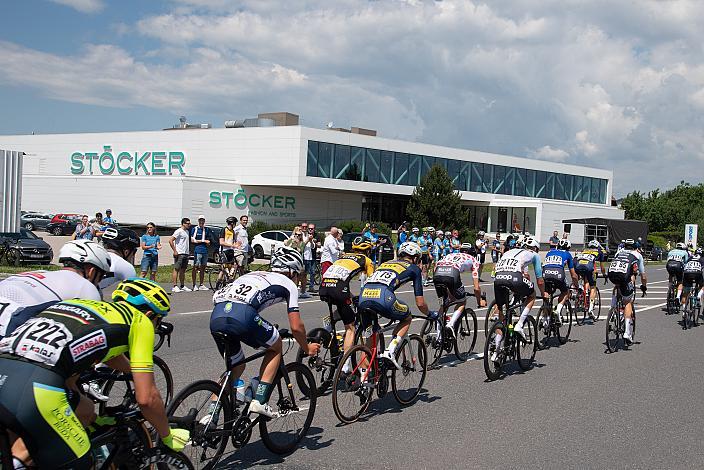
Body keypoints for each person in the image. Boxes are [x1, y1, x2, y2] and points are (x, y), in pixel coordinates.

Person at [0, 278, 188, 468]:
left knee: (84, 409)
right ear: (150, 314)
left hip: (8, 371)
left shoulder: (81, 306)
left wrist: (135, 372)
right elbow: (147, 399)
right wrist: (166, 434)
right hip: (35, 386)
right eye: (159, 320)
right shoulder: (141, 322)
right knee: (82, 460)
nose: (156, 326)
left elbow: (97, 358)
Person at [209, 247, 320, 418]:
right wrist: (307, 348)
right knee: (275, 347)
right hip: (243, 315)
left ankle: (210, 416)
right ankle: (260, 400)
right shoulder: (289, 284)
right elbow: (296, 327)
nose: (298, 279)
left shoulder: (252, 274)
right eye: (299, 274)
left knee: (236, 366)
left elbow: (220, 297)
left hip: (217, 314)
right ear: (292, 271)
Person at [0, 240, 111, 339]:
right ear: (91, 271)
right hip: (8, 328)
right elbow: (95, 337)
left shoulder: (40, 273)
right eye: (101, 276)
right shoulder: (86, 286)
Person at [358, 241, 436, 369]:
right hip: (383, 297)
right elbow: (420, 303)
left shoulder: (385, 263)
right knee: (407, 317)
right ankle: (391, 351)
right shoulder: (414, 268)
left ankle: (363, 380)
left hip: (364, 296)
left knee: (371, 339)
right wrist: (429, 314)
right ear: (415, 257)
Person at [319, 236, 375, 365]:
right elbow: (370, 283)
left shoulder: (343, 257)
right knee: (350, 328)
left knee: (343, 307)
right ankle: (345, 365)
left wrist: (353, 297)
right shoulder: (367, 260)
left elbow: (342, 280)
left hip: (324, 286)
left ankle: (326, 328)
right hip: (339, 288)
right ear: (367, 250)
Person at [490, 236, 545, 362]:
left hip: (498, 278)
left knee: (502, 312)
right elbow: (540, 279)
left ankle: (497, 349)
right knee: (532, 294)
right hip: (513, 278)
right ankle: (519, 325)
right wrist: (544, 293)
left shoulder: (510, 251)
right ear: (535, 248)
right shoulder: (534, 255)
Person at [432, 243, 487, 337]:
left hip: (437, 273)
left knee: (444, 303)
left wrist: (449, 292)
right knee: (462, 301)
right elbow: (476, 288)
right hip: (452, 273)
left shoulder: (451, 254)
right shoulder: (473, 260)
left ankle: (438, 336)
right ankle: (450, 325)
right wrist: (479, 301)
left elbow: (435, 267)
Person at [607, 239, 647, 343]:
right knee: (628, 302)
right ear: (636, 247)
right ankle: (627, 333)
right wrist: (644, 286)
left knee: (617, 285)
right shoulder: (637, 255)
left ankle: (613, 307)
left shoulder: (619, 252)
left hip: (612, 274)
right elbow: (642, 275)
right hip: (624, 276)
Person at [541, 238, 579, 327]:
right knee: (565, 292)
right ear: (568, 248)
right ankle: (558, 310)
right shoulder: (567, 254)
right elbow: (573, 275)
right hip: (558, 274)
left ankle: (545, 319)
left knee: (546, 293)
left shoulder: (549, 252)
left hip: (545, 274)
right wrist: (577, 286)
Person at [574, 239, 608, 319]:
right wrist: (604, 274)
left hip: (578, 266)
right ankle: (590, 308)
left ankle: (581, 291)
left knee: (584, 279)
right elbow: (602, 267)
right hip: (589, 268)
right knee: (593, 287)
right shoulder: (599, 252)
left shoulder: (584, 250)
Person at [680, 248, 703, 326]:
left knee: (685, 293)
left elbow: (685, 264)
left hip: (687, 273)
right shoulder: (702, 259)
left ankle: (683, 310)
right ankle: (699, 296)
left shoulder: (690, 257)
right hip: (697, 273)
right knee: (702, 285)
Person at [190, 215, 212, 291]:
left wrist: (208, 242)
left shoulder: (207, 229)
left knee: (203, 267)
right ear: (198, 221)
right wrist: (203, 241)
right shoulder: (195, 229)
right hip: (198, 250)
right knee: (196, 267)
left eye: (203, 220)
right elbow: (192, 240)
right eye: (200, 220)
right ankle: (194, 285)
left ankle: (201, 284)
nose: (201, 222)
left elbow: (209, 239)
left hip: (205, 251)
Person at [170, 217, 191, 293]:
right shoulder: (178, 231)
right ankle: (174, 286)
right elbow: (171, 240)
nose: (189, 225)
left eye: (189, 223)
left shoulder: (187, 232)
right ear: (183, 224)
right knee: (176, 269)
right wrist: (175, 251)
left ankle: (182, 285)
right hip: (179, 253)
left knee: (183, 270)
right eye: (187, 223)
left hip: (186, 253)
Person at [303, 223, 321, 294]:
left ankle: (311, 286)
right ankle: (302, 287)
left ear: (314, 229)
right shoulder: (305, 234)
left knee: (312, 272)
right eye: (309, 228)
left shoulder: (317, 235)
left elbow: (319, 245)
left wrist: (316, 243)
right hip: (305, 256)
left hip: (313, 256)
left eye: (312, 228)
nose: (310, 230)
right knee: (304, 272)